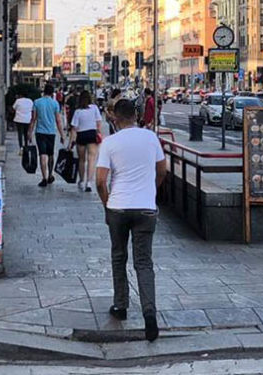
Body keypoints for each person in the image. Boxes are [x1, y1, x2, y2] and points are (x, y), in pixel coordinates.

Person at [95, 99, 167, 342]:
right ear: (136, 116)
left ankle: (121, 305)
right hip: (146, 208)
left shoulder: (110, 142)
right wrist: (151, 190)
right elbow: (162, 170)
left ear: (115, 117)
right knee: (144, 262)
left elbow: (100, 180)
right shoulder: (150, 138)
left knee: (118, 256)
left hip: (118, 207)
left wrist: (107, 203)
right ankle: (150, 315)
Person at [29, 84, 65, 187]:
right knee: (50, 154)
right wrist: (62, 135)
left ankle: (44, 177)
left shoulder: (37, 102)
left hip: (40, 132)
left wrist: (29, 132)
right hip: (51, 133)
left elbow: (33, 119)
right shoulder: (55, 104)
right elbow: (58, 121)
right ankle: (50, 175)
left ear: (44, 91)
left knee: (42, 154)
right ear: (52, 92)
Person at [70, 90, 104, 192]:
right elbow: (98, 123)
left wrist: (71, 142)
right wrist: (99, 133)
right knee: (92, 159)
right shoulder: (94, 108)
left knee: (81, 160)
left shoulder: (77, 111)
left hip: (81, 135)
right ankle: (89, 182)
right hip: (92, 135)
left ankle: (81, 180)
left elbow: (74, 128)